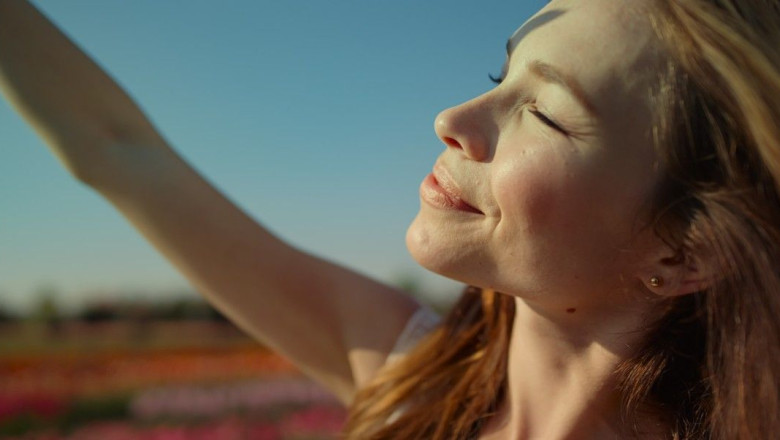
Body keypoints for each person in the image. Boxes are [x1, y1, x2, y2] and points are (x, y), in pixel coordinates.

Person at [2, 0, 779, 438]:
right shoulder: (412, 385)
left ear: (685, 251)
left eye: (543, 113)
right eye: (496, 75)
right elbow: (116, 149)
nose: (452, 117)